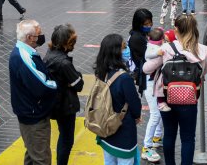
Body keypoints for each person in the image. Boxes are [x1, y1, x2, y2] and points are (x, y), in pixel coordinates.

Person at [143, 14, 207, 165]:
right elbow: (203, 73)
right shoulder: (203, 50)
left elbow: (146, 69)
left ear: (177, 29)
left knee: (169, 135)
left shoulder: (167, 48)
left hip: (166, 98)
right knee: (187, 138)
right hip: (190, 99)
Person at [9, 20, 57, 165]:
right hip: (34, 116)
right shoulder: (23, 57)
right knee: (41, 158)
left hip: (29, 112)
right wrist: (57, 84)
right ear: (30, 38)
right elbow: (43, 86)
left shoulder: (25, 51)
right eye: (39, 33)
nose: (41, 36)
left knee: (32, 152)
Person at [93, 34, 142, 165]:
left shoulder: (101, 72)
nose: (126, 50)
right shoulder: (124, 78)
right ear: (116, 52)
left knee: (108, 161)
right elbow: (135, 103)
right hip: (123, 131)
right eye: (124, 47)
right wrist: (137, 116)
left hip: (105, 129)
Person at [44, 24, 84, 165]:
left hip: (54, 102)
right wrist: (76, 76)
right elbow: (79, 85)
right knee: (67, 138)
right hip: (66, 105)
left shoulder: (49, 55)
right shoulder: (64, 63)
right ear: (67, 43)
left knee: (63, 135)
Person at [141, 27, 165, 163]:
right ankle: (147, 146)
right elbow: (149, 56)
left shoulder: (151, 45)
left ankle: (156, 138)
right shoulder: (152, 50)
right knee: (155, 114)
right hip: (151, 85)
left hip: (155, 84)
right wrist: (160, 52)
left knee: (160, 111)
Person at [128, 8, 153, 96]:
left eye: (150, 23)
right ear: (139, 24)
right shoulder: (137, 38)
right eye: (146, 24)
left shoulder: (144, 33)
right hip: (146, 75)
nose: (149, 25)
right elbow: (147, 56)